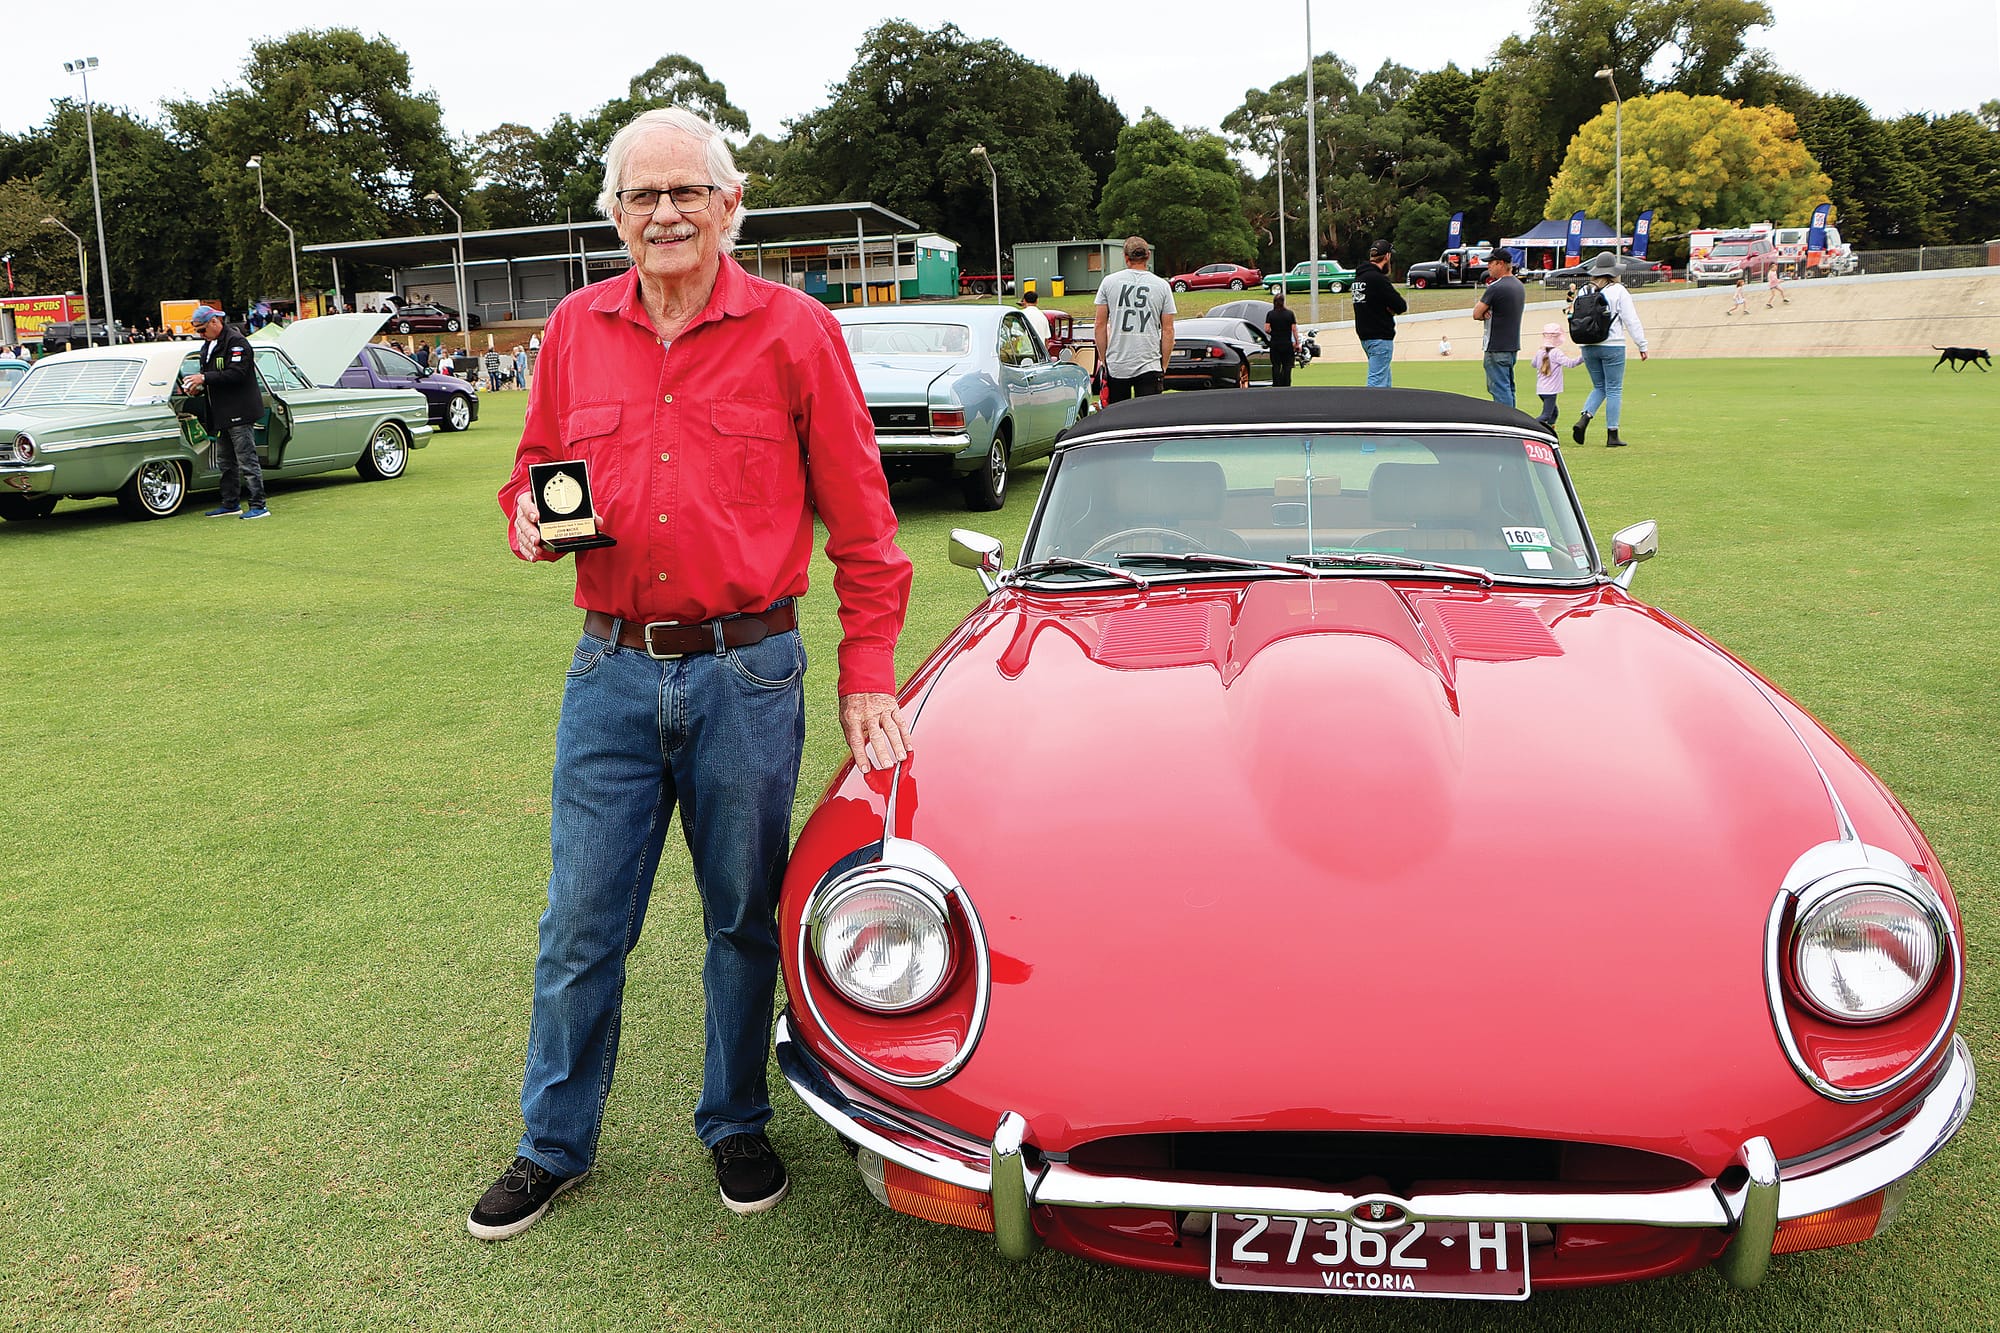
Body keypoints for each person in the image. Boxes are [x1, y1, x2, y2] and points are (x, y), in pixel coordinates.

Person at [473, 106, 913, 1242]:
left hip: (748, 673)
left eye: (685, 192)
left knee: (741, 919)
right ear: (613, 214)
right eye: (639, 196)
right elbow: (534, 475)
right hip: (609, 673)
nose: (662, 213)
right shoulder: (574, 327)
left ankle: (736, 1118)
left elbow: (865, 528)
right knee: (580, 921)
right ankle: (552, 1143)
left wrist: (868, 676)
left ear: (731, 204)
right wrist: (529, 519)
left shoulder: (796, 330)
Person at [184, 306, 270, 520]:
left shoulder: (237, 342)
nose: (200, 335)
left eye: (202, 330)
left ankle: (259, 505)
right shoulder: (208, 345)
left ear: (215, 322)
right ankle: (230, 503)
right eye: (198, 332)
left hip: (240, 411)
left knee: (247, 460)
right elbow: (211, 376)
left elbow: (237, 374)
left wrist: (204, 379)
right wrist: (197, 387)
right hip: (220, 413)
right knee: (225, 462)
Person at [1570, 271, 1650, 448]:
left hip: (1588, 345)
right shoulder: (1618, 290)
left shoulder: (1584, 290)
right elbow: (1631, 319)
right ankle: (1612, 434)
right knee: (1614, 389)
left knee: (1599, 386)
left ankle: (1585, 417)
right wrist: (1642, 345)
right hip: (1613, 344)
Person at [1092, 236, 1176, 402]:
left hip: (1118, 363)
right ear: (1148, 256)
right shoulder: (1162, 285)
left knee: (1117, 418)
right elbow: (1168, 330)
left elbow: (1099, 325)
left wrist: (1103, 358)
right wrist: (1163, 365)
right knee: (1147, 419)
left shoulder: (1109, 282)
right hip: (1149, 363)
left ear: (1126, 257)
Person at [1470, 250, 1525, 407]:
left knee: (1499, 390)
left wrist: (1484, 312)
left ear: (1500, 263)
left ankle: (1506, 425)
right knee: (1508, 388)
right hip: (1511, 346)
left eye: (1491, 263)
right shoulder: (1518, 285)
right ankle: (1514, 422)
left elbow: (1476, 313)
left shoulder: (1496, 287)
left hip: (1495, 346)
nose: (1488, 267)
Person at [1351, 239, 1406, 387]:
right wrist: (1390, 309)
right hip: (1380, 336)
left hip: (1365, 335)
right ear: (1387, 256)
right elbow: (1401, 305)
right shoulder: (1378, 279)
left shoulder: (1359, 278)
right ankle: (1370, 409)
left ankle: (1386, 409)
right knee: (1377, 384)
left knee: (1385, 382)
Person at [1531, 323, 1582, 429]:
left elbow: (1534, 364)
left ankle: (1548, 431)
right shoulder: (1556, 353)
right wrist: (1583, 357)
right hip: (1551, 391)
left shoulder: (1540, 351)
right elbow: (1570, 364)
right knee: (1546, 415)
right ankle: (1530, 426)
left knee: (1554, 413)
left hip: (1541, 389)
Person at [1264, 291, 1300, 386]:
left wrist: (1274, 333)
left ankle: (1276, 384)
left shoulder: (1270, 314)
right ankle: (1286, 383)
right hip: (1287, 343)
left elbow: (1267, 329)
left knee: (1276, 365)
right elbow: (1294, 330)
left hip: (1275, 343)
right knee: (1287, 366)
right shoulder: (1289, 314)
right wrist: (1297, 343)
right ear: (1283, 302)